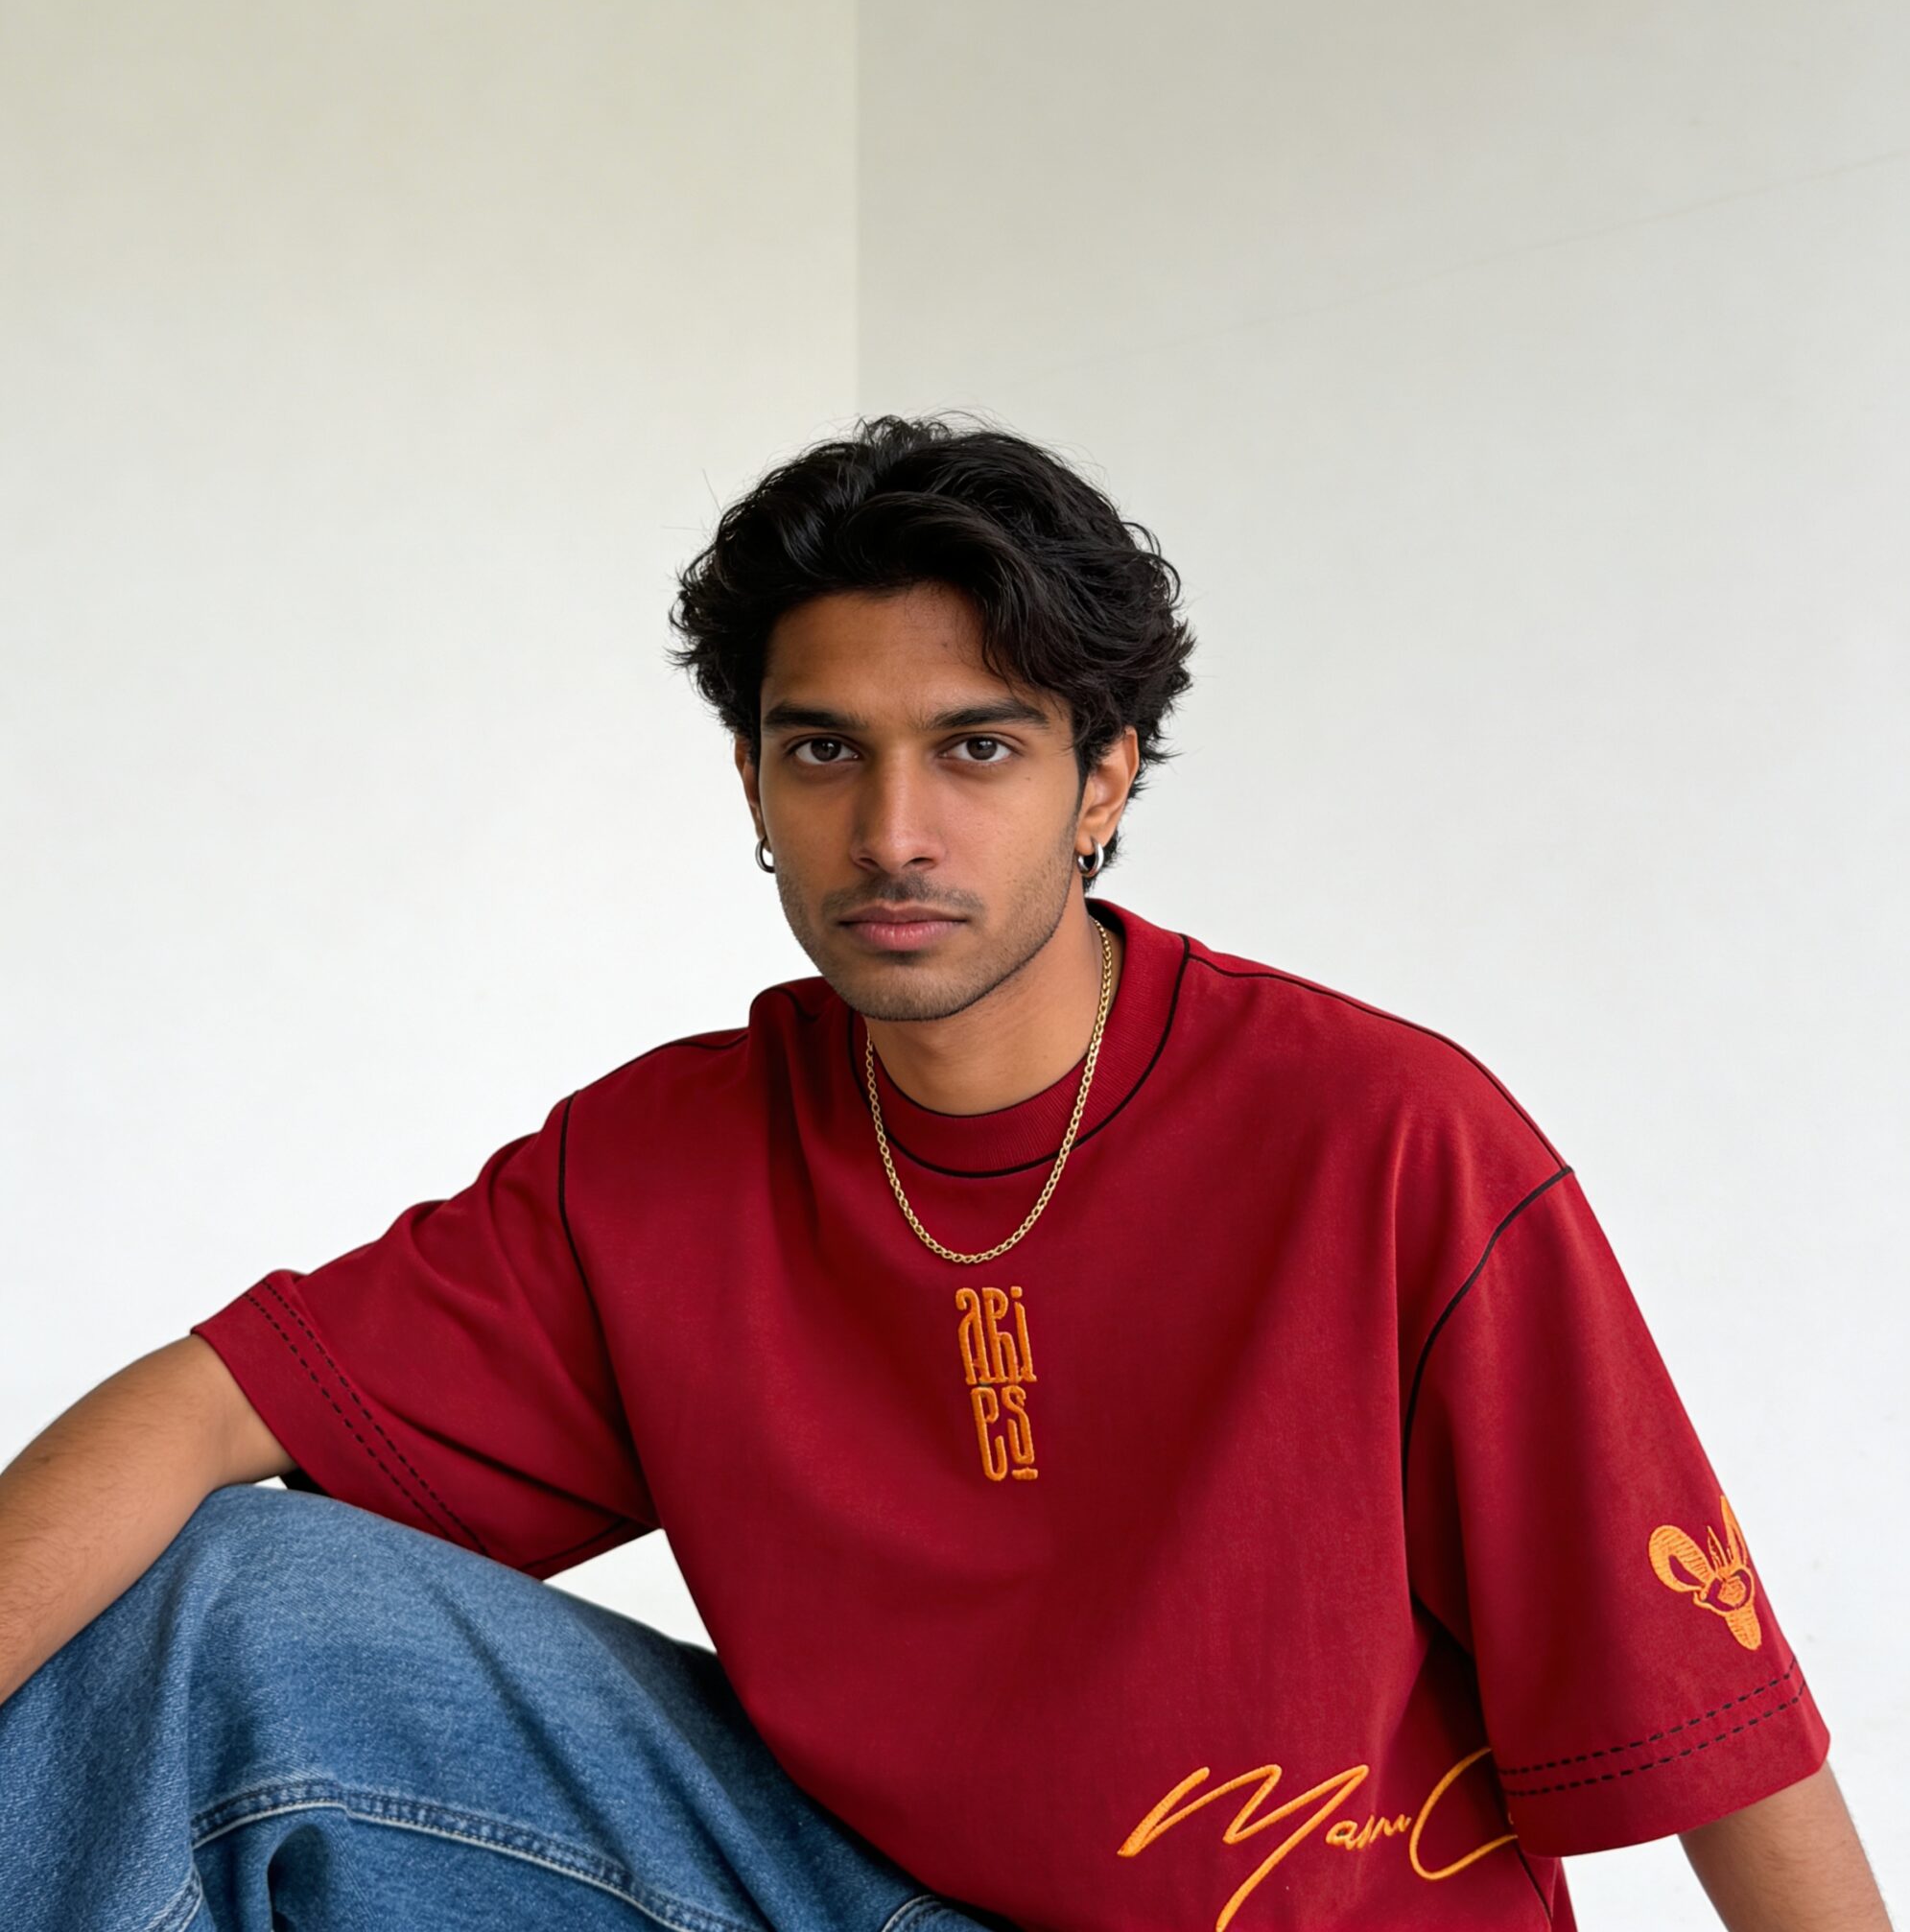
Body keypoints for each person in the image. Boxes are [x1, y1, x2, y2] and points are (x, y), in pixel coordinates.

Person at [0, 412, 1890, 1932]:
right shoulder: (661, 1163)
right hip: (861, 1895)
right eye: (826, 750)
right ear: (753, 785)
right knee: (231, 1595)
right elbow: (206, 1407)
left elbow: (1718, 1722)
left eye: (975, 748)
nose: (892, 830)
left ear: (1104, 781)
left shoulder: (1384, 1136)